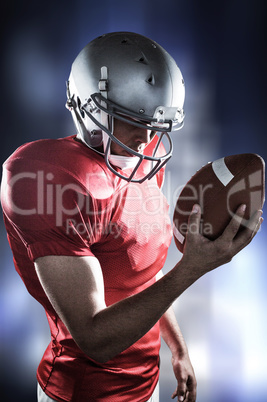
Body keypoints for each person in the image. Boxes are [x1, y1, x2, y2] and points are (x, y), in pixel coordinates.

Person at [0, 32, 262, 402]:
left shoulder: (139, 154)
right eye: (130, 119)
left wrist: (178, 347)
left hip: (144, 384)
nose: (144, 137)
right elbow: (95, 340)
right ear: (89, 109)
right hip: (85, 392)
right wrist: (193, 268)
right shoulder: (44, 177)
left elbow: (141, 272)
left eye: (152, 123)